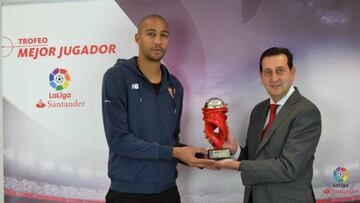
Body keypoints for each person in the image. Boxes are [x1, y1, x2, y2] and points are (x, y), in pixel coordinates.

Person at [102, 14, 214, 203]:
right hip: (127, 194)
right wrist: (174, 152)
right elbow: (118, 140)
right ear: (138, 38)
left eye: (163, 35)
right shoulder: (117, 77)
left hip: (167, 192)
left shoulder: (175, 86)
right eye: (151, 34)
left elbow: (170, 142)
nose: (157, 41)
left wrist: (201, 157)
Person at [216, 47, 322, 203]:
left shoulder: (307, 112)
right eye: (268, 72)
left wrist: (237, 166)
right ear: (261, 77)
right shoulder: (258, 110)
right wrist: (235, 150)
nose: (274, 78)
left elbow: (288, 168)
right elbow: (256, 158)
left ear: (292, 73)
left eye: (280, 71)